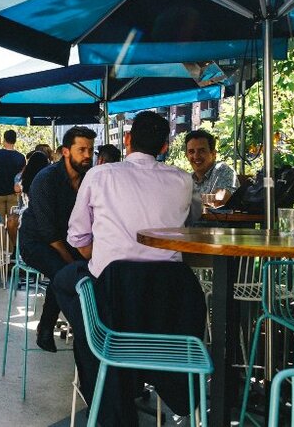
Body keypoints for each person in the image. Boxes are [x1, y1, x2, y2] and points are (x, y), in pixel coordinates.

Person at [53, 111, 196, 424]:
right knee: (82, 291)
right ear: (164, 145)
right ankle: (152, 376)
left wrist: (102, 257)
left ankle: (112, 380)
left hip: (114, 295)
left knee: (68, 284)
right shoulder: (183, 181)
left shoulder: (100, 175)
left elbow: (77, 236)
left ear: (127, 140)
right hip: (168, 303)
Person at [18, 126, 95, 352]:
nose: (88, 155)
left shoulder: (89, 180)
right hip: (35, 243)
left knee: (97, 269)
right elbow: (47, 231)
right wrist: (73, 262)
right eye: (81, 150)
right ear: (66, 151)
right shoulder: (46, 179)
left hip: (69, 242)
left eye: (91, 149)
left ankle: (95, 330)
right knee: (65, 272)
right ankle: (48, 327)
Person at [184, 129, 238, 207]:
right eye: (191, 152)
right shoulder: (187, 180)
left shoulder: (222, 170)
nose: (196, 156)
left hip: (217, 219)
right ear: (187, 156)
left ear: (213, 154)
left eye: (202, 151)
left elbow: (219, 200)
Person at [0, 129, 26, 222]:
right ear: (15, 140)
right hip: (14, 194)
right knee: (13, 221)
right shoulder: (21, 157)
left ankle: (1, 237)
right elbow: (23, 176)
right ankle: (12, 237)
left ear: (4, 140)